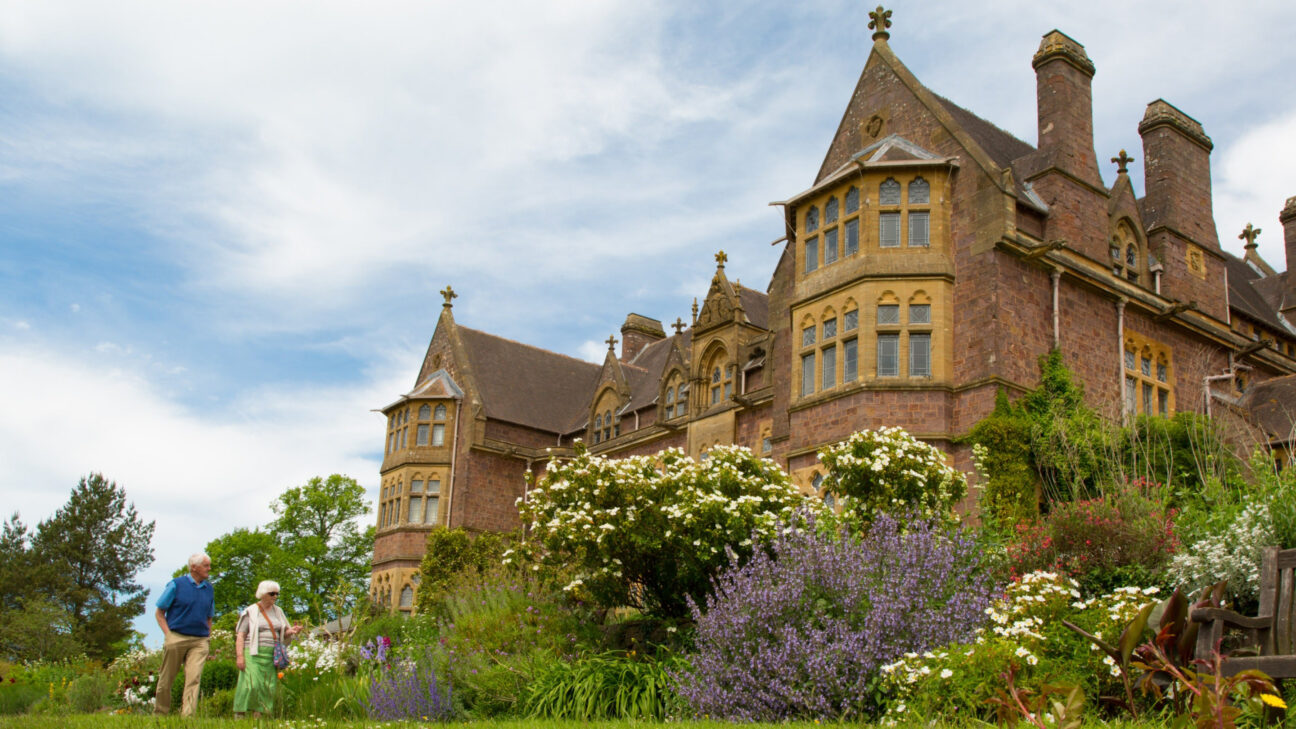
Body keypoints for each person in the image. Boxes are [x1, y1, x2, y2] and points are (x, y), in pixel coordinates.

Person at [154, 552, 215, 716]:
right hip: (177, 637)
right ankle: (160, 714)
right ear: (194, 567)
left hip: (199, 640)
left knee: (194, 679)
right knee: (166, 679)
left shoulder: (209, 589)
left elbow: (210, 616)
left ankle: (187, 718)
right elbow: (159, 613)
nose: (209, 568)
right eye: (206, 565)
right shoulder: (176, 585)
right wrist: (168, 635)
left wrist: (207, 637)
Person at [233, 580, 303, 718]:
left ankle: (258, 717)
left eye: (277, 594)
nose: (275, 597)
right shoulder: (250, 611)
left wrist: (292, 631)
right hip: (252, 652)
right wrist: (240, 656)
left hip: (271, 654)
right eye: (272, 593)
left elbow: (283, 632)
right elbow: (240, 635)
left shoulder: (278, 611)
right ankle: (240, 713)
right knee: (250, 684)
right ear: (263, 594)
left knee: (266, 686)